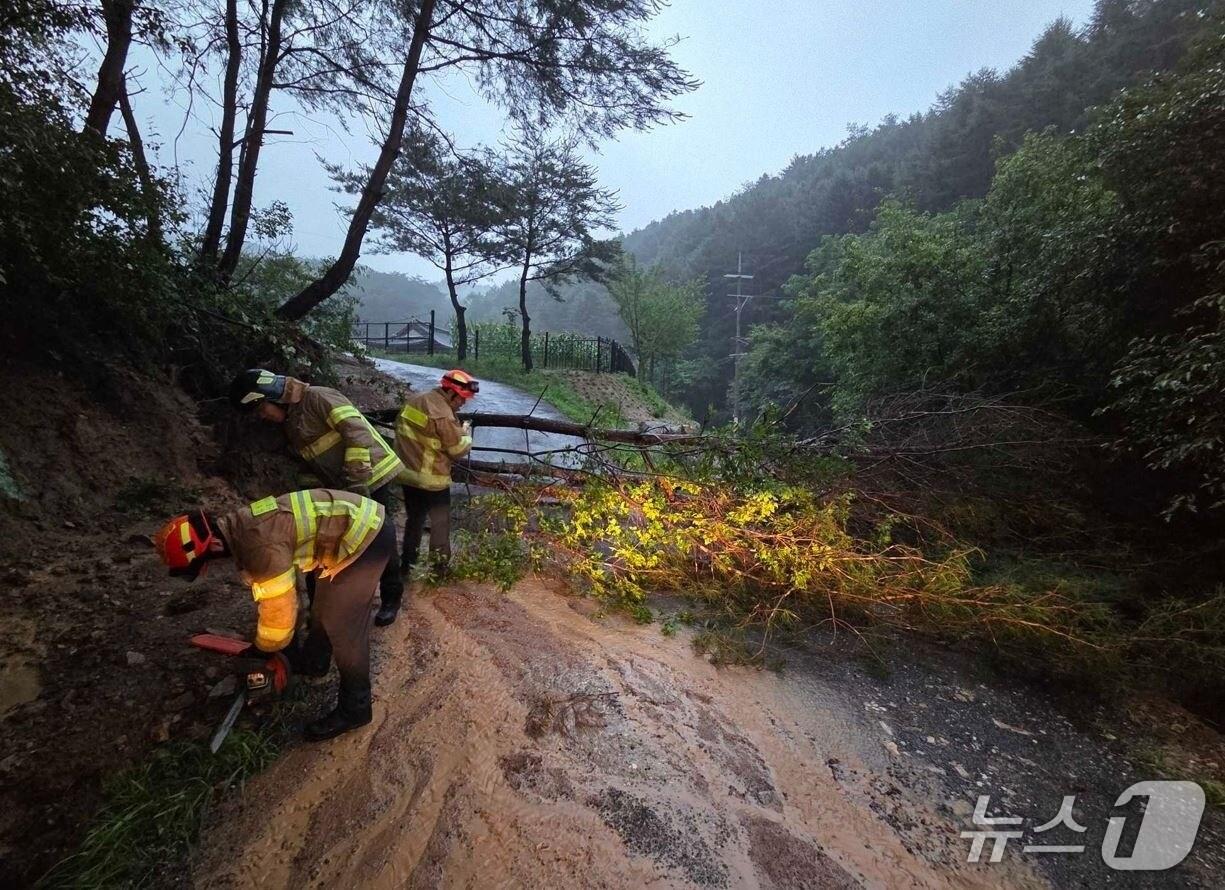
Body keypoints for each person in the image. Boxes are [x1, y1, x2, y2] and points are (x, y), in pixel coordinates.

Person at [154, 488, 394, 741]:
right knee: (323, 609)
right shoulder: (239, 528)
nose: (206, 570)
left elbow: (281, 609)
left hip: (367, 537)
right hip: (349, 532)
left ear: (212, 544)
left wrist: (264, 648)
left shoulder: (258, 546)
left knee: (344, 628)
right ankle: (315, 662)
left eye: (203, 563)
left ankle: (356, 709)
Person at [229, 369, 406, 626]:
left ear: (272, 397)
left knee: (379, 535)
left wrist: (357, 484)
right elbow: (311, 463)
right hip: (341, 482)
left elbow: (358, 435)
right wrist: (312, 497)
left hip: (370, 474)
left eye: (261, 410)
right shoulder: (292, 420)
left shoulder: (320, 398)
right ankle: (325, 609)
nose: (263, 417)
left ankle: (391, 597)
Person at [393, 369, 478, 577]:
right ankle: (439, 569)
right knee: (440, 522)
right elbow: (457, 450)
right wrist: (466, 435)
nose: (463, 403)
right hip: (431, 478)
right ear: (450, 392)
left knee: (414, 519)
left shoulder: (417, 399)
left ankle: (407, 565)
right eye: (462, 398)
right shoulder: (442, 414)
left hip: (407, 474)